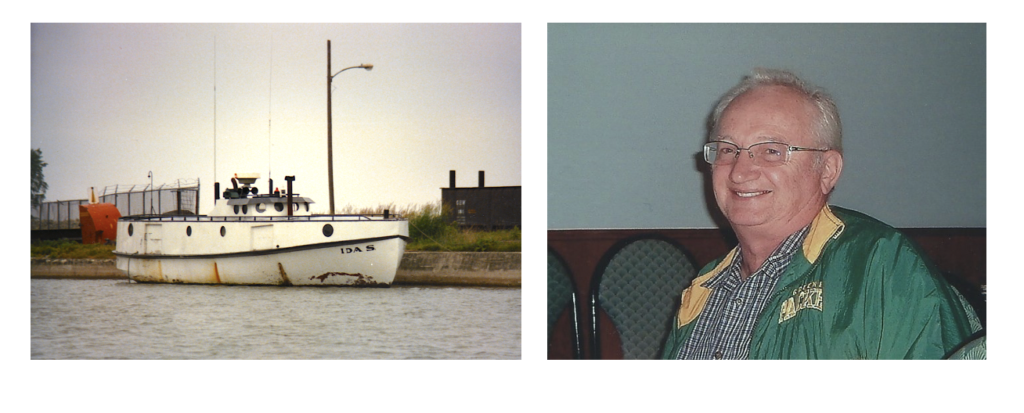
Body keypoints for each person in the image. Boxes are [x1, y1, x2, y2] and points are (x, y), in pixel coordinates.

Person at [661, 68, 982, 359]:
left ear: (827, 170)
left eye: (771, 151)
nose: (740, 172)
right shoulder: (704, 289)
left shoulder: (880, 264)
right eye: (728, 150)